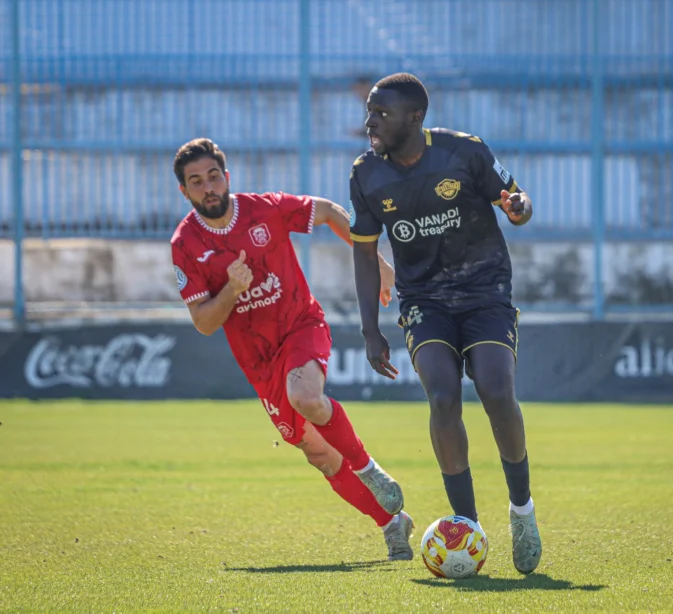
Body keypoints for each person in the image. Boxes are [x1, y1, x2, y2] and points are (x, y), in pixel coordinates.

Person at [170, 138, 413, 561]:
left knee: (306, 396)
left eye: (213, 176)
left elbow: (333, 212)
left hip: (301, 325)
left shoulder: (264, 208)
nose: (207, 187)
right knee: (318, 453)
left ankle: (369, 469)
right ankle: (393, 524)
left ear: (226, 178)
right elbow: (204, 323)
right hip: (257, 360)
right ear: (184, 191)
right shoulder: (184, 245)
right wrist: (231, 289)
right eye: (196, 182)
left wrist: (377, 263)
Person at [348, 73, 542, 574]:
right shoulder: (366, 174)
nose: (370, 121)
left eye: (381, 113)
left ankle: (522, 511)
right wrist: (371, 329)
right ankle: (468, 526)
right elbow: (365, 256)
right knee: (442, 396)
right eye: (370, 111)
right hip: (424, 300)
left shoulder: (465, 152)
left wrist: (518, 207)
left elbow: (517, 205)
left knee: (497, 391)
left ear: (415, 117)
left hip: (485, 292)